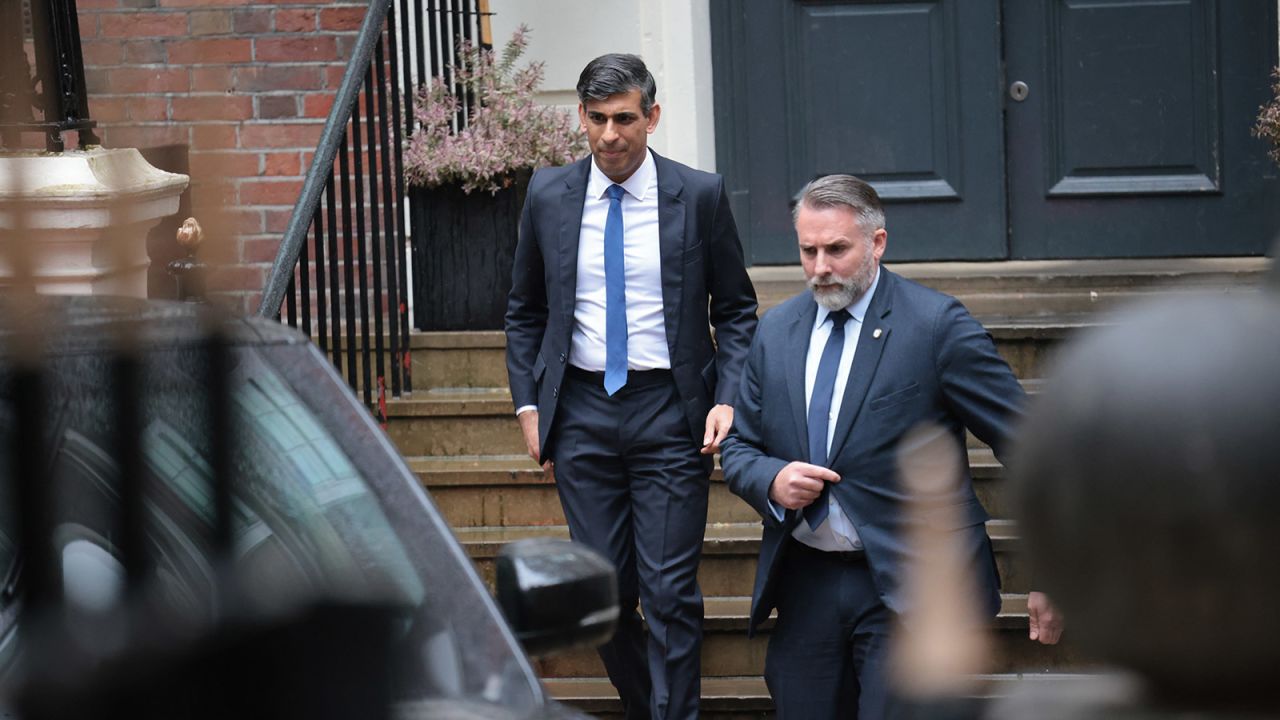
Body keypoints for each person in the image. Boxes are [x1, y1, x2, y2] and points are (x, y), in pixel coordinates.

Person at [720, 174, 1061, 718]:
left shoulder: (935, 326)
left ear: (877, 243)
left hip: (911, 588)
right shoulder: (776, 330)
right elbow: (739, 445)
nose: (820, 267)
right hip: (806, 582)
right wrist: (772, 480)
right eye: (808, 251)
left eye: (836, 249)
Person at [504, 53, 758, 720]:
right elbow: (525, 310)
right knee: (604, 594)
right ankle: (653, 708)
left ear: (652, 117)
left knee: (669, 591)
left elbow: (734, 310)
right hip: (581, 411)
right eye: (596, 119)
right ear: (581, 119)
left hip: (670, 412)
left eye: (624, 118)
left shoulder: (698, 194)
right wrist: (530, 405)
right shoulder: (547, 194)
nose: (610, 134)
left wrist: (727, 396)